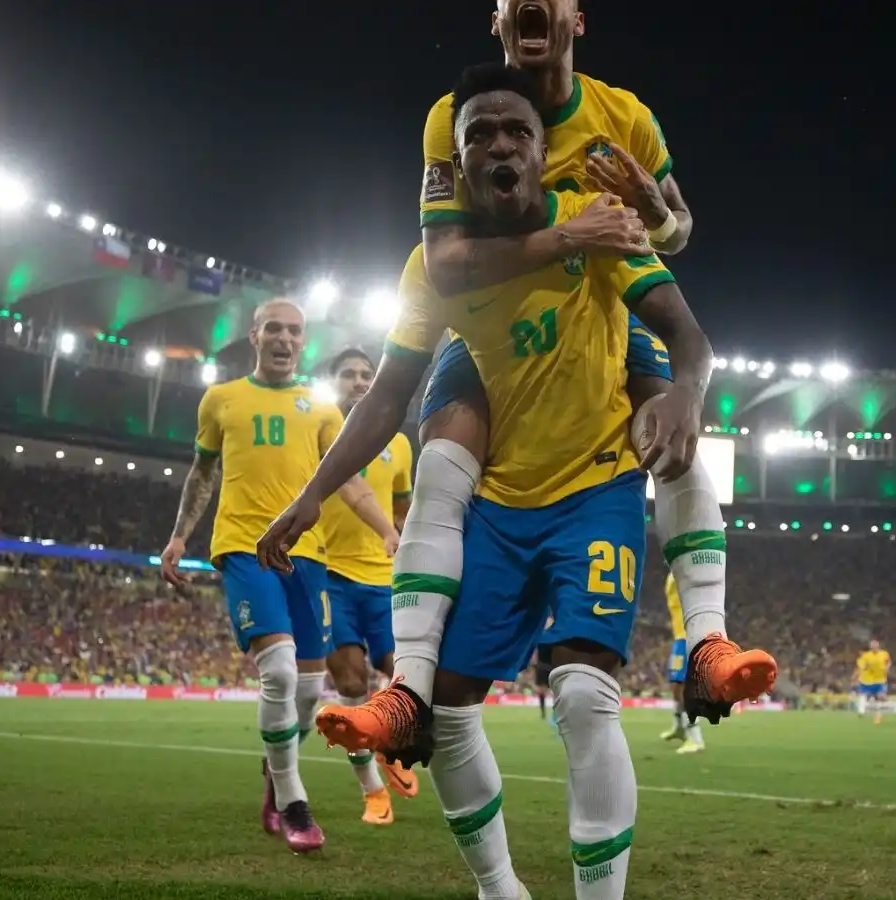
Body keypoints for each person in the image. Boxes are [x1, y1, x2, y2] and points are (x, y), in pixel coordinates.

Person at [258, 62, 757, 900]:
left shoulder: (594, 221)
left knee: (586, 694)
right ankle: (498, 886)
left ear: (541, 149)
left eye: (517, 132)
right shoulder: (434, 271)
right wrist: (311, 494)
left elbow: (687, 331)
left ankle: (706, 638)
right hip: (499, 503)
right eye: (480, 134)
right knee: (450, 713)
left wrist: (682, 392)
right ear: (455, 162)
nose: (499, 144)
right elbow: (387, 394)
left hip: (593, 490)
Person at [392, 0, 755, 738]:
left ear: (576, 20)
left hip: (599, 307)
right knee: (439, 463)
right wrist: (568, 234)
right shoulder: (451, 116)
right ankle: (408, 685)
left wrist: (653, 206)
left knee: (670, 419)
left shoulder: (624, 117)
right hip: (490, 321)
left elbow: (676, 230)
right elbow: (446, 263)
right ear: (495, 22)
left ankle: (710, 640)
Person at [159, 299, 399, 855]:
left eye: (294, 331)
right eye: (274, 329)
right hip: (243, 546)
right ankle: (293, 800)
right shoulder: (221, 399)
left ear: (303, 341)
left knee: (311, 688)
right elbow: (202, 474)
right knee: (283, 674)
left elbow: (352, 484)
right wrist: (179, 537)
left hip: (307, 555)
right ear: (255, 336)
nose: (284, 338)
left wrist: (389, 530)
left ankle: (274, 767)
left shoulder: (320, 410)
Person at [315, 347, 421, 824]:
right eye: (348, 374)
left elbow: (403, 507)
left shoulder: (399, 443)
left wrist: (406, 544)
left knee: (404, 679)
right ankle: (373, 792)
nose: (358, 381)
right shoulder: (315, 433)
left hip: (383, 580)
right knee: (352, 684)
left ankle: (389, 748)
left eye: (366, 374)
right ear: (331, 382)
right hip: (329, 574)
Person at [659, 574, 704, 753]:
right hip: (680, 637)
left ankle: (695, 737)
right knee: (676, 686)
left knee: (685, 687)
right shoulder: (674, 573)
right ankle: (679, 727)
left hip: (689, 636)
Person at [855, 639, 891, 724]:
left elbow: (889, 661)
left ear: (878, 645)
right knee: (863, 695)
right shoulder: (866, 656)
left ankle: (878, 716)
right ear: (870, 647)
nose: (874, 646)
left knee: (880, 697)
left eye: (875, 645)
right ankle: (861, 711)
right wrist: (865, 667)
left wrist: (887, 668)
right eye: (872, 645)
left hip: (880, 680)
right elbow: (861, 665)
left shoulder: (884, 654)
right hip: (867, 681)